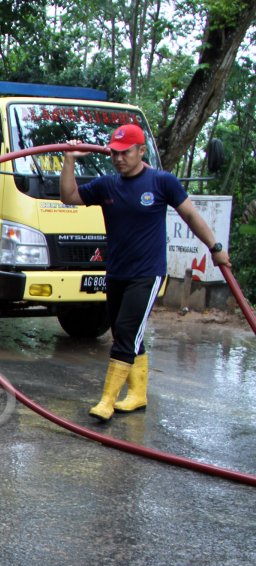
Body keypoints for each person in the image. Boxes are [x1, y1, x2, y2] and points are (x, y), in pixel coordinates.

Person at [60, 123, 231, 420]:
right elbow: (69, 196)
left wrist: (215, 248)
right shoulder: (107, 185)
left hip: (147, 272)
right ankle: (137, 395)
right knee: (126, 331)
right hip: (116, 272)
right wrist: (69, 159)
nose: (118, 158)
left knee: (125, 333)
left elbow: (190, 215)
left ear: (141, 151)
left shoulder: (161, 182)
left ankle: (107, 401)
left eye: (125, 153)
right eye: (114, 153)